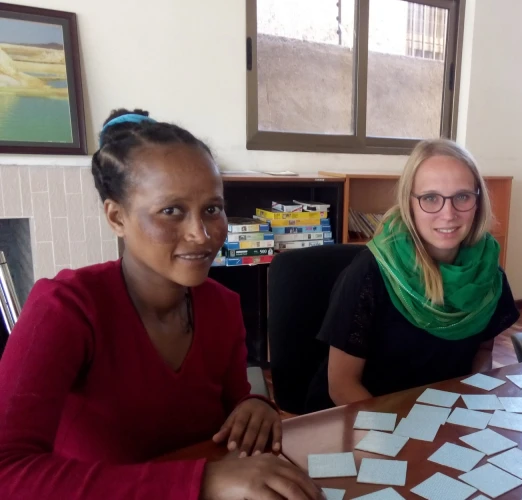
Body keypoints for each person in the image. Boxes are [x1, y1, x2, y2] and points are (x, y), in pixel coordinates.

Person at [0, 109, 322, 500]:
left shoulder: (221, 306)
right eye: (171, 211)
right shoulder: (65, 308)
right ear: (116, 217)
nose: (201, 234)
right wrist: (202, 481)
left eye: (212, 209)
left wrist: (255, 405)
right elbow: (7, 472)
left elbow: (232, 402)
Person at [305, 139, 519, 412]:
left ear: (478, 201)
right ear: (410, 203)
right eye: (430, 198)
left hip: (440, 414)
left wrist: (471, 403)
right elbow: (341, 385)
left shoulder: (486, 273)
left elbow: (483, 351)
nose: (448, 214)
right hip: (362, 418)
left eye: (462, 196)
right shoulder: (371, 271)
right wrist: (402, 430)